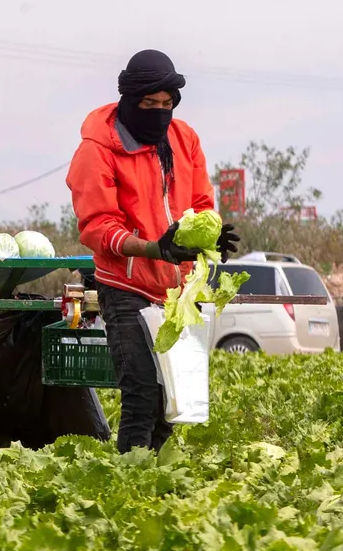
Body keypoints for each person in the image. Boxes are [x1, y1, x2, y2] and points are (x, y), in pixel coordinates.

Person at [67, 49, 236, 454]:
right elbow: (97, 226)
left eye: (167, 104)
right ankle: (131, 484)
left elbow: (199, 201)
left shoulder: (184, 138)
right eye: (149, 104)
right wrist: (153, 248)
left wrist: (207, 237)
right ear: (129, 101)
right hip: (124, 286)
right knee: (142, 394)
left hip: (178, 291)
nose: (160, 113)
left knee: (172, 401)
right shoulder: (98, 150)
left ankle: (156, 476)